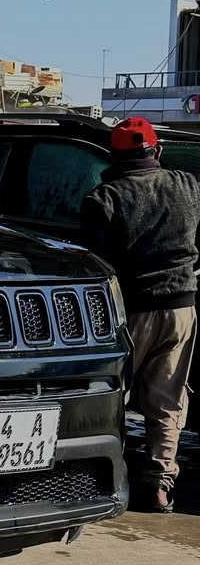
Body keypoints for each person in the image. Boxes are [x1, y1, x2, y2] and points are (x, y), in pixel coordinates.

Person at [82, 117, 200, 511]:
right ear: (157, 150)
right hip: (181, 307)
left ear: (113, 156)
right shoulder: (188, 185)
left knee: (114, 395)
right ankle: (160, 483)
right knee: (168, 398)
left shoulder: (104, 198)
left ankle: (107, 478)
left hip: (130, 312)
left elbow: (96, 263)